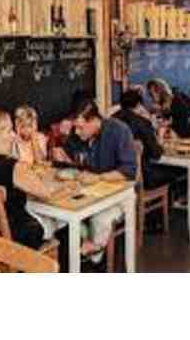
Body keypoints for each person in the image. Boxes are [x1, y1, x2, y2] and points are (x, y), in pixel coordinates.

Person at [0, 109, 59, 249]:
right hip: (15, 239)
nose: (13, 136)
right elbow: (45, 193)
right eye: (9, 131)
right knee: (60, 222)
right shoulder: (11, 167)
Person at [63, 99, 138, 261]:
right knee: (64, 215)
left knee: (100, 218)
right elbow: (71, 157)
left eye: (80, 127)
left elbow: (129, 171)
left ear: (94, 120)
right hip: (90, 192)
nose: (76, 132)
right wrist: (62, 155)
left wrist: (98, 177)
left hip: (119, 195)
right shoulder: (77, 135)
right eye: (75, 127)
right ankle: (83, 251)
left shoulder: (119, 130)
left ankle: (92, 257)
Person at [112, 89, 177, 190]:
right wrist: (160, 136)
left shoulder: (110, 121)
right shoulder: (142, 123)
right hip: (141, 177)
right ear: (138, 105)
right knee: (173, 173)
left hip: (115, 174)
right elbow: (156, 154)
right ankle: (165, 200)